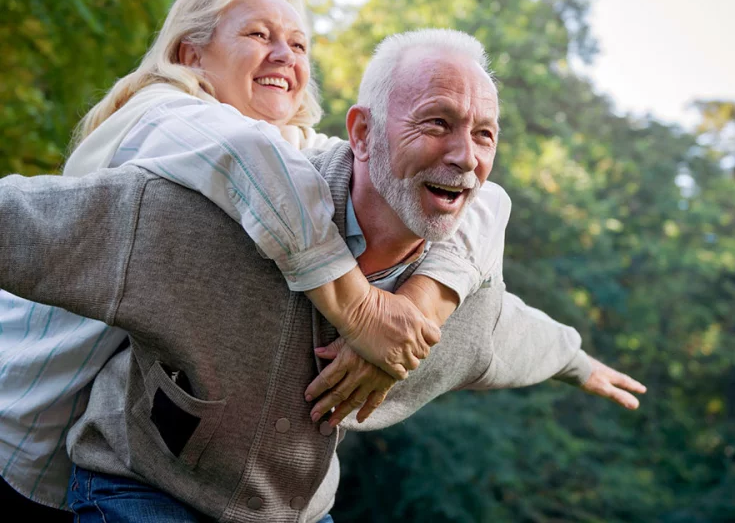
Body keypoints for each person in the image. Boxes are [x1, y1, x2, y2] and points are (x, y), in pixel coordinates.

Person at [0, 28, 646, 523]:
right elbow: (26, 223)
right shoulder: (205, 219)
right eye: (437, 122)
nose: (465, 156)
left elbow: (509, 334)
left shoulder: (456, 303)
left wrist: (576, 360)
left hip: (293, 512)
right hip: (139, 488)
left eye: (484, 134)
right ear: (361, 133)